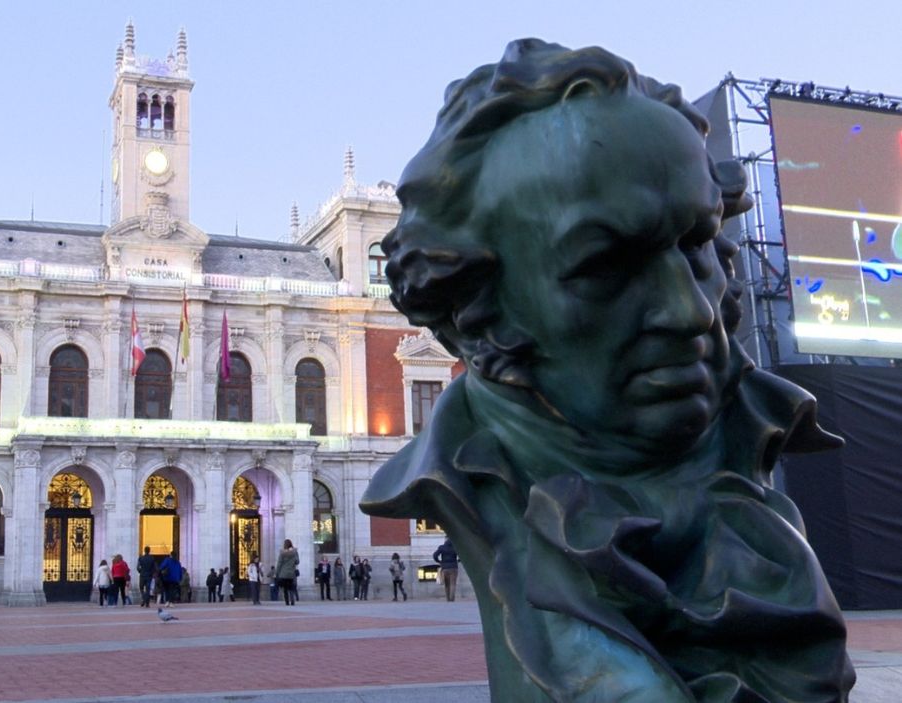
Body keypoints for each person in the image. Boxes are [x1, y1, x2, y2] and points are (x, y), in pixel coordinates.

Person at [359, 39, 854, 700]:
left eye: (696, 242)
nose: (692, 311)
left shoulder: (753, 435)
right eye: (606, 266)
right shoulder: (482, 485)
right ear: (476, 312)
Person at [275, 539, 299, 606]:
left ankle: (287, 602)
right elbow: (297, 561)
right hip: (291, 573)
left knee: (285, 589)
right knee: (291, 588)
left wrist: (277, 572)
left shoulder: (282, 553)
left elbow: (279, 563)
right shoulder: (294, 552)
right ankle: (292, 601)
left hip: (283, 573)